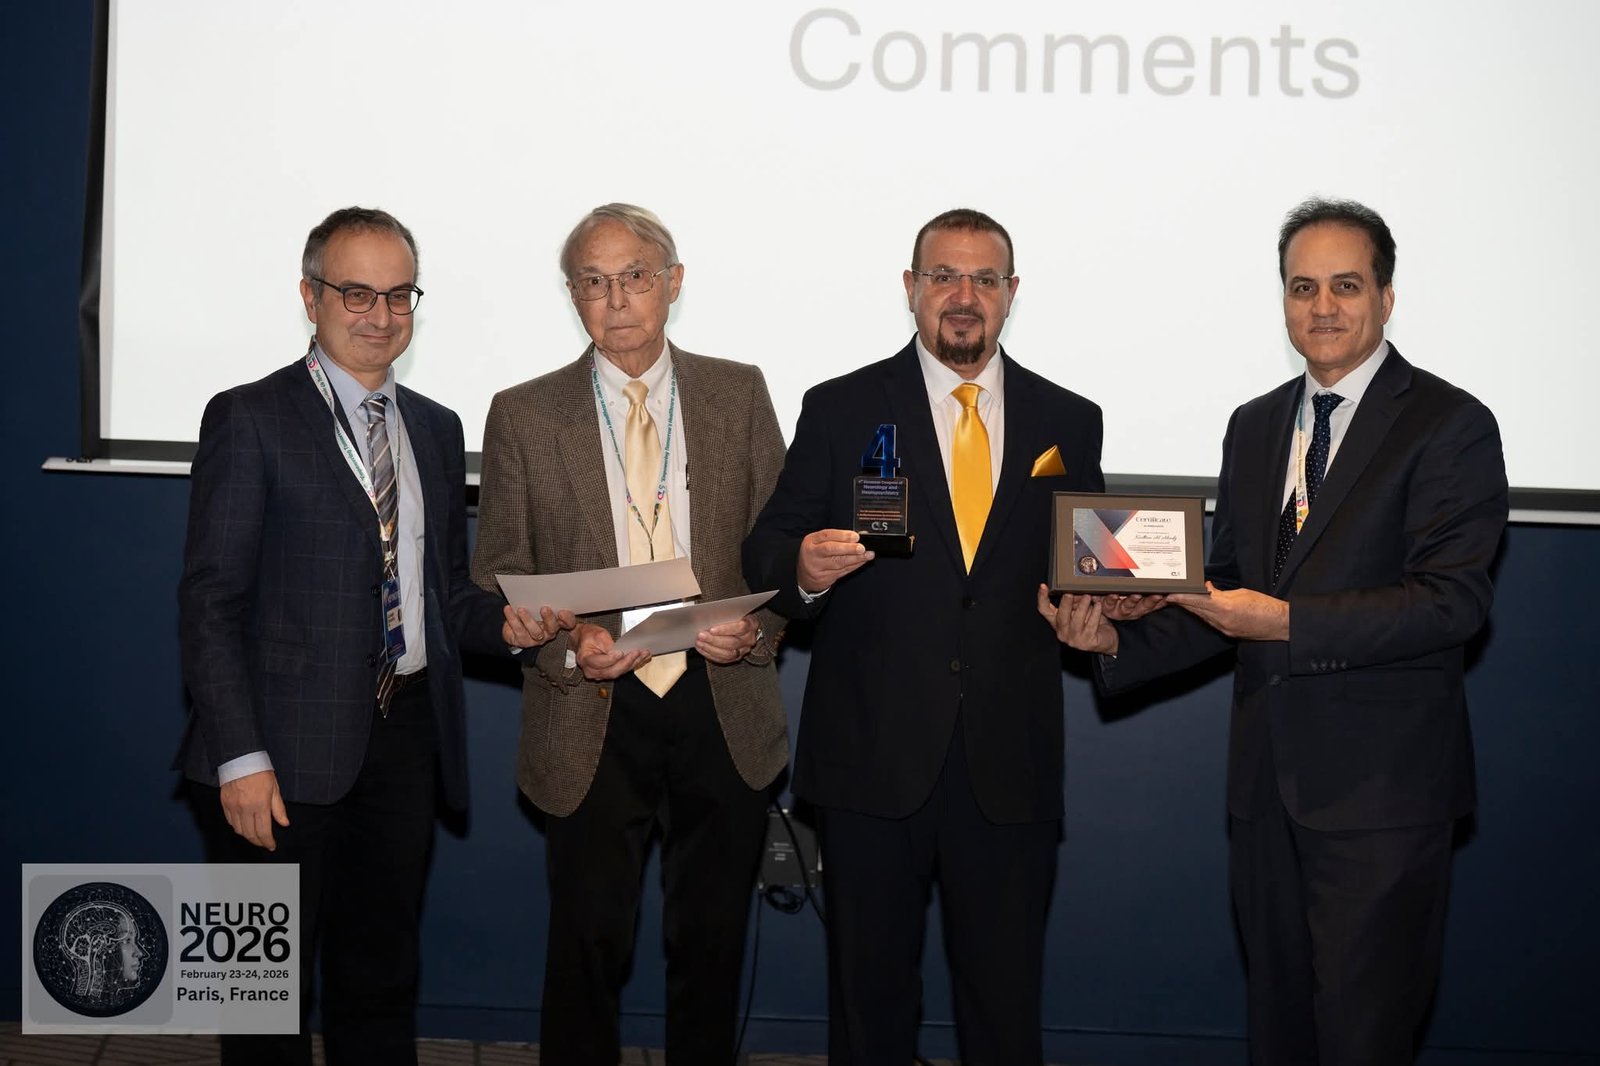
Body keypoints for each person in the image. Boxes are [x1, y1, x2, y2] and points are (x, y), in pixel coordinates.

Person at [1044, 198, 1508, 1065]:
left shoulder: (1450, 425)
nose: (1322, 307)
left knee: (1364, 1039)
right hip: (1264, 794)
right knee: (1279, 1035)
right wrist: (1114, 641)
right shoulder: (1255, 425)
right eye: (1303, 287)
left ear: (1387, 297)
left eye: (1345, 286)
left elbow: (1451, 604)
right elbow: (1227, 595)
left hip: (1381, 802)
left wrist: (1286, 622)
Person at [177, 206, 561, 1065]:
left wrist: (511, 624)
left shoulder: (436, 427)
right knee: (261, 1000)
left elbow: (444, 593)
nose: (380, 315)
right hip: (274, 753)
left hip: (403, 740)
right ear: (310, 296)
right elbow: (210, 603)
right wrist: (238, 757)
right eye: (357, 293)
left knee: (381, 981)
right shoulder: (249, 417)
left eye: (398, 295)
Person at [743, 208, 1105, 1065]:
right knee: (869, 1009)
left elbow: (1087, 563)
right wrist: (804, 568)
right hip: (871, 761)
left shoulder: (1069, 418)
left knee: (1004, 1009)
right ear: (911, 288)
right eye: (944, 275)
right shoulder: (840, 407)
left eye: (985, 278)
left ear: (1012, 293)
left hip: (1008, 764)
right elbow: (767, 549)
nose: (964, 295)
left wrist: (1097, 613)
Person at [471, 203, 789, 1064]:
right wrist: (565, 641)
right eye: (593, 281)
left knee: (711, 945)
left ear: (673, 283)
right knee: (587, 947)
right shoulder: (523, 414)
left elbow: (780, 546)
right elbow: (497, 573)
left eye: (635, 277)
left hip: (719, 698)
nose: (616, 300)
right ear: (572, 294)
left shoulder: (738, 392)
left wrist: (754, 631)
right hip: (592, 703)